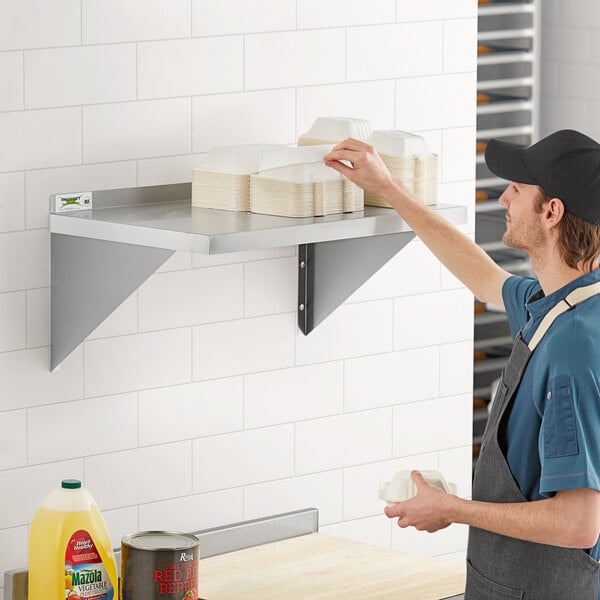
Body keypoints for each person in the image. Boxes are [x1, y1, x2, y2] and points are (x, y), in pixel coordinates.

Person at [324, 130, 600, 600]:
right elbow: (483, 276)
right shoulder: (561, 303)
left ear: (551, 212)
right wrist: (390, 189)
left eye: (517, 187)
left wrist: (453, 509)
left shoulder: (572, 346)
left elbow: (577, 524)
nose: (504, 196)